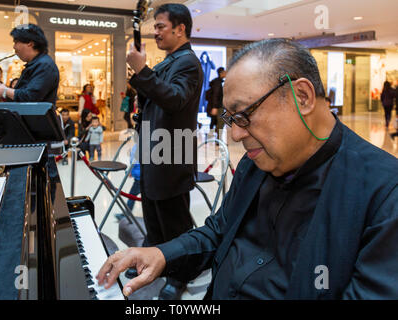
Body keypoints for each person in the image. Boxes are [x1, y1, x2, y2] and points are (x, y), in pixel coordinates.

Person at [97, 38, 398, 300]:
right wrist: (162, 254)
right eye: (231, 118)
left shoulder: (384, 195)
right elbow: (219, 231)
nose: (235, 135)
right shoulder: (257, 162)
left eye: (244, 115)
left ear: (302, 96)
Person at [124, 3, 203, 300]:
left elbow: (175, 99)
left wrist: (143, 70)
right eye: (154, 26)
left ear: (180, 29)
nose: (155, 32)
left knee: (174, 220)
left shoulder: (187, 62)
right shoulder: (169, 62)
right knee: (154, 214)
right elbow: (155, 99)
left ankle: (181, 273)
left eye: (160, 26)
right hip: (156, 148)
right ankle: (152, 260)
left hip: (173, 150)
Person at [0, 24, 59, 105]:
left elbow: (31, 97)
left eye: (16, 42)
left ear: (30, 43)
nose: (14, 47)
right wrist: (4, 91)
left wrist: (5, 91)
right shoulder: (36, 64)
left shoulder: (44, 65)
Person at [207, 67, 226, 137]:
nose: (226, 73)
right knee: (220, 123)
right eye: (224, 72)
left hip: (217, 106)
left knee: (214, 121)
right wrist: (215, 107)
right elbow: (216, 95)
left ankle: (211, 136)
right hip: (218, 106)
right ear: (221, 73)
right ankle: (218, 139)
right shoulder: (217, 83)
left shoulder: (217, 82)